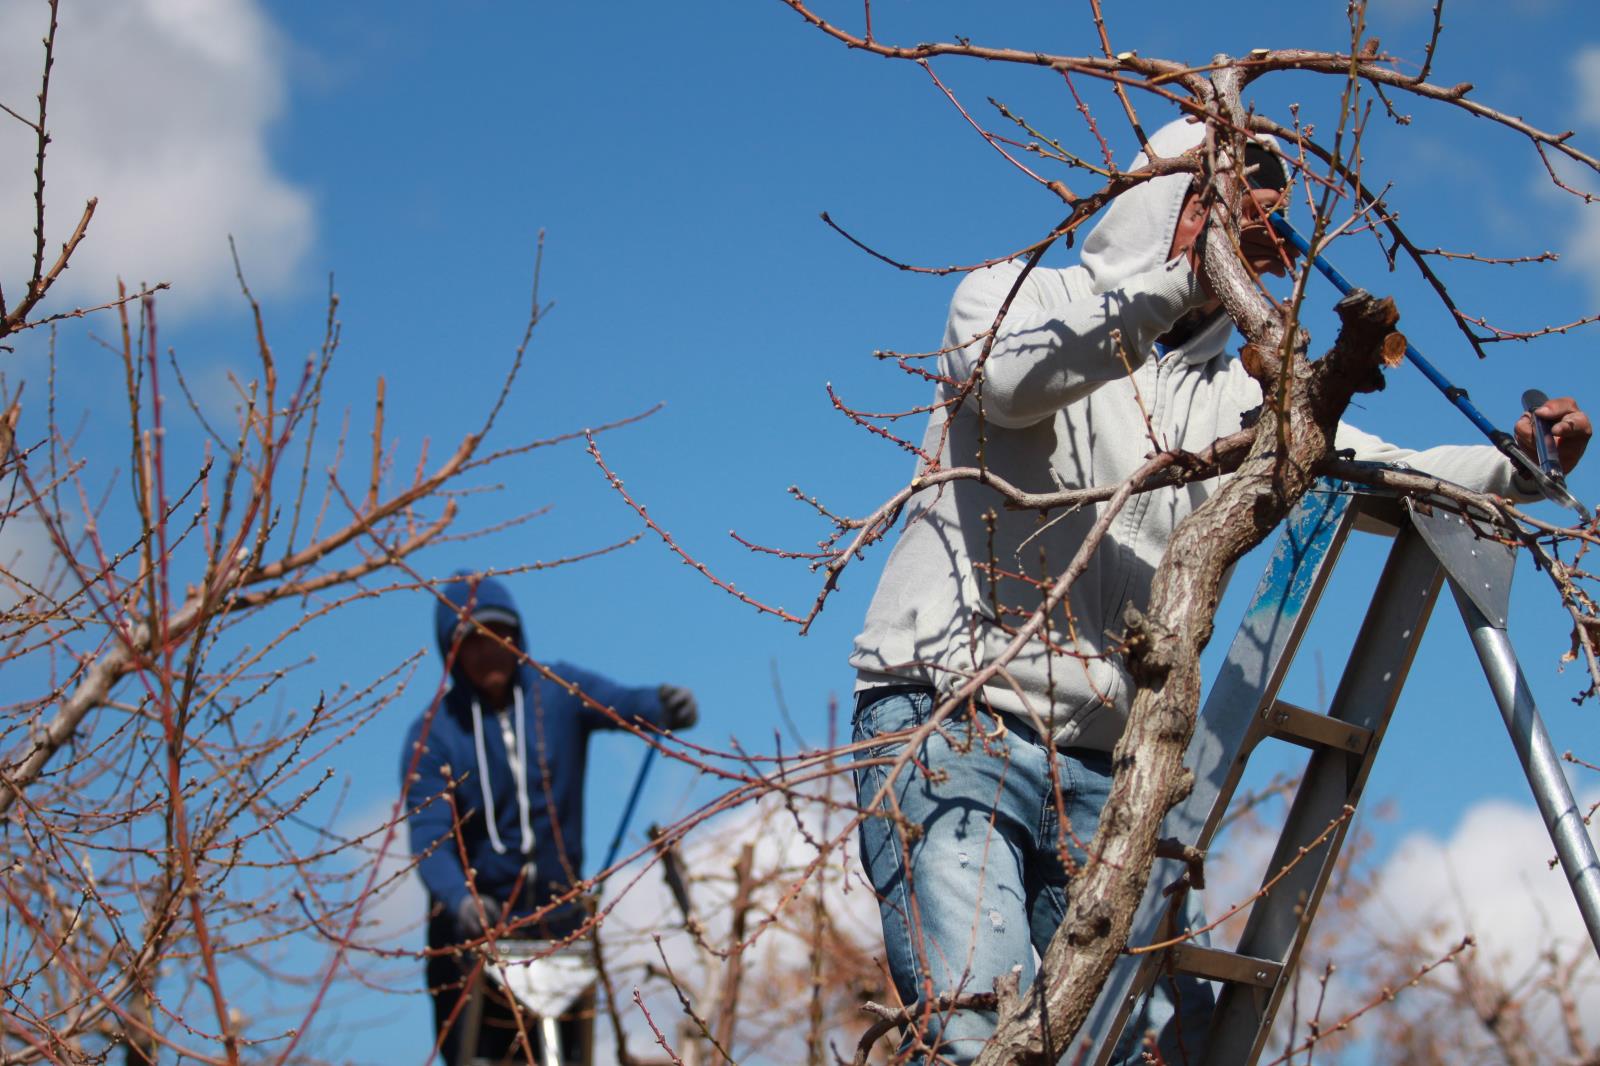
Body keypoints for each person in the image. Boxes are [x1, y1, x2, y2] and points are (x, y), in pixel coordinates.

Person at [846, 116, 1590, 1064]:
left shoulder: (1228, 395)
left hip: (1107, 768)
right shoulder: (1015, 296)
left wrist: (1512, 468)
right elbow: (1006, 383)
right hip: (954, 724)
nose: (1253, 241)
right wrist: (1179, 281)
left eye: (1265, 225)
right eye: (1228, 207)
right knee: (978, 1031)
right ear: (1164, 200)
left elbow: (1377, 463)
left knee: (1137, 1048)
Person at [401, 572, 698, 1064]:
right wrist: (461, 900)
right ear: (450, 654)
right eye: (470, 642)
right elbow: (429, 837)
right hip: (477, 932)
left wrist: (661, 705)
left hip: (560, 925)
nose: (488, 651)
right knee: (482, 1055)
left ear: (517, 637)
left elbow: (622, 704)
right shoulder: (434, 735)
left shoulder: (555, 692)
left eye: (499, 635)